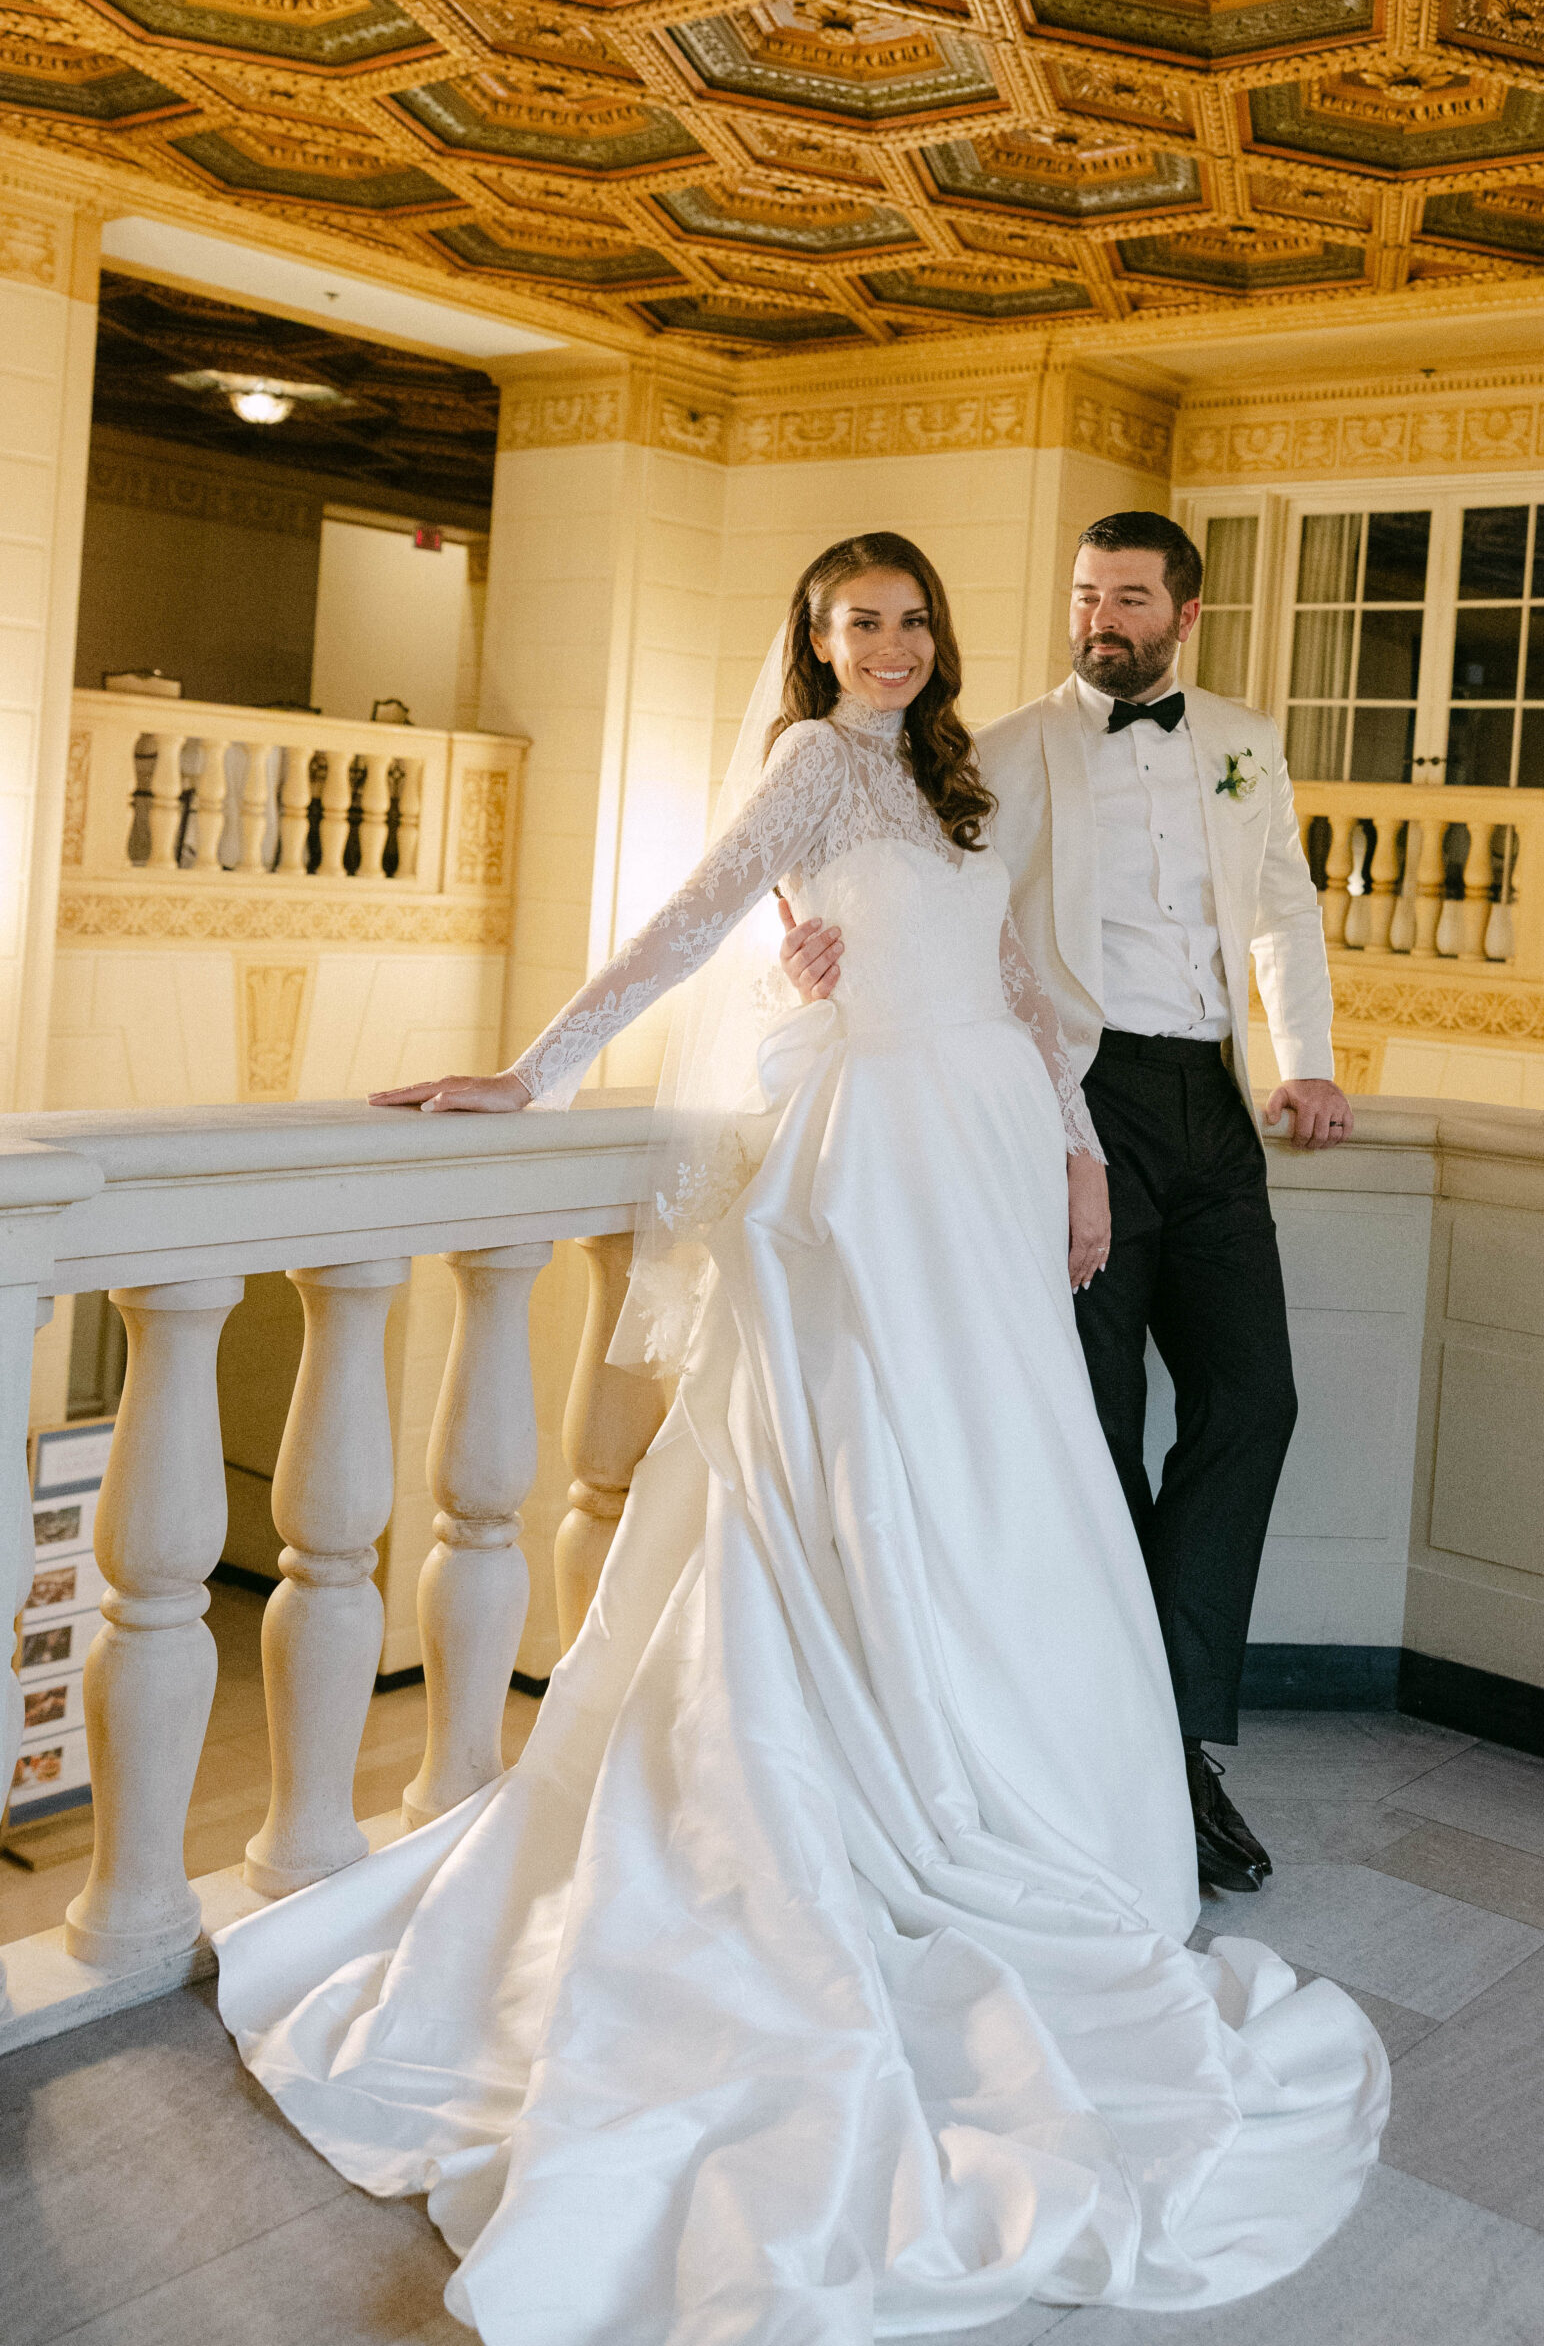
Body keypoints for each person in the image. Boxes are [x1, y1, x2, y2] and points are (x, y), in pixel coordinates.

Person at [212, 531, 1386, 2345]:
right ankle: (863, 1773)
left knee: (1014, 1474)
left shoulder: (959, 774)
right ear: (817, 639)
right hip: (879, 1160)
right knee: (857, 1475)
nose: (894, 647)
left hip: (996, 1142)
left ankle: (1022, 1779)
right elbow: (685, 920)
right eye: (862, 624)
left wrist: (1077, 1151)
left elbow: (1016, 984)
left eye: (915, 621)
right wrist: (535, 1068)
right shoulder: (811, 765)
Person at [781, 512, 1347, 1901]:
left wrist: (1308, 1063)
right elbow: (915, 873)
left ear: (1184, 615)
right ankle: (1127, 1762)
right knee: (1090, 1432)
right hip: (1070, 1117)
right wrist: (814, 938)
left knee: (1252, 1401)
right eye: (1086, 594)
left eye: (1131, 598)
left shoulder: (1246, 740)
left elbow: (1282, 907)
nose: (1102, 615)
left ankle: (1169, 1724)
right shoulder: (1011, 746)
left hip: (1212, 1108)